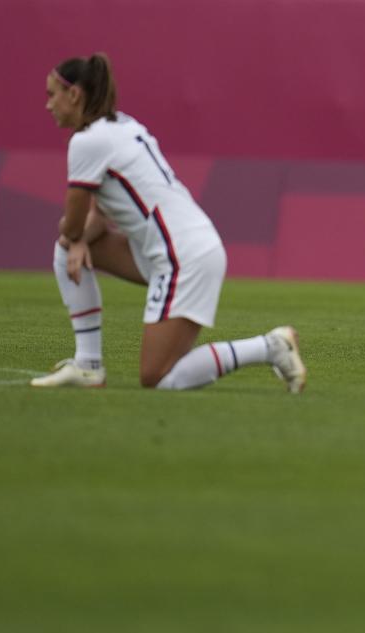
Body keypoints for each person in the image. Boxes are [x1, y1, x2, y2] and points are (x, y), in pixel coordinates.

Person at [32, 53, 306, 391]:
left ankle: (270, 346)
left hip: (183, 256)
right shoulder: (121, 126)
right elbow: (97, 221)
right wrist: (76, 241)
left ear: (74, 95)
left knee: (158, 377)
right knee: (65, 250)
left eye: (51, 94)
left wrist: (75, 237)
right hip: (176, 248)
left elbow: (72, 225)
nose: (48, 105)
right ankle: (88, 366)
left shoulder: (87, 142)